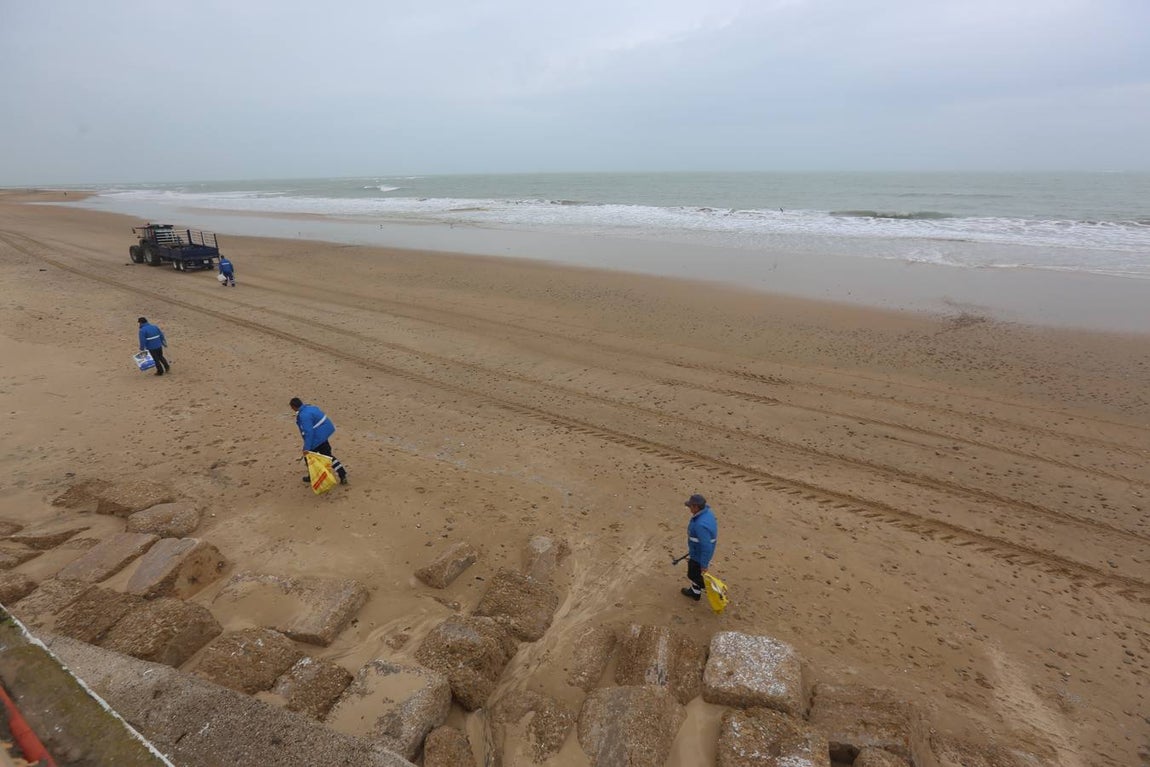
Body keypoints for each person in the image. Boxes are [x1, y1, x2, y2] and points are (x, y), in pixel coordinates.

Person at [290, 397, 347, 485]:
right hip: (323, 436)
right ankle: (342, 474)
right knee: (329, 456)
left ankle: (313, 476)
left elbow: (309, 432)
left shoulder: (303, 415)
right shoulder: (311, 408)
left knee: (308, 458)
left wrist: (307, 448)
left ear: (294, 407)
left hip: (317, 438)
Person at [681, 493, 717, 601]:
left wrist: (704, 564)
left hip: (699, 555)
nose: (689, 508)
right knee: (695, 573)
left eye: (690, 506)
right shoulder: (707, 514)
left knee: (693, 574)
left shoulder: (700, 525)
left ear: (696, 507)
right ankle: (695, 593)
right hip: (697, 551)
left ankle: (712, 590)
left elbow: (706, 546)